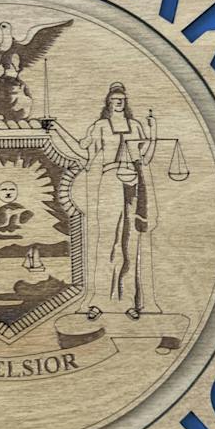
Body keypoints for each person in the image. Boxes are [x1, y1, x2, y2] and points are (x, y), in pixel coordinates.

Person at [83, 82, 160, 318]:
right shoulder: (100, 126)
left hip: (132, 181)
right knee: (107, 240)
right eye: (115, 98)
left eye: (122, 99)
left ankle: (129, 303)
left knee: (130, 241)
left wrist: (153, 134)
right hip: (110, 180)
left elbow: (145, 158)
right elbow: (83, 149)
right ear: (108, 101)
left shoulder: (135, 126)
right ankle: (98, 301)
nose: (119, 102)